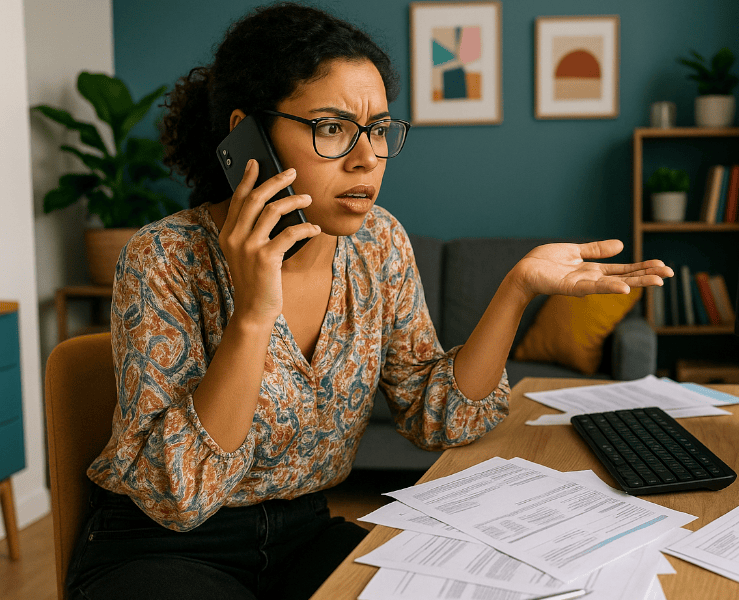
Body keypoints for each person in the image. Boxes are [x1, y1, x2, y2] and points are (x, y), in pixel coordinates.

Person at [64, 3, 672, 599]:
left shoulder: (378, 242)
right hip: (163, 546)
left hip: (303, 535)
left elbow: (440, 416)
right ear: (247, 135)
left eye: (378, 130)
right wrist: (252, 314)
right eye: (332, 128)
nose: (367, 159)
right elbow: (178, 496)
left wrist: (516, 290)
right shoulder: (164, 256)